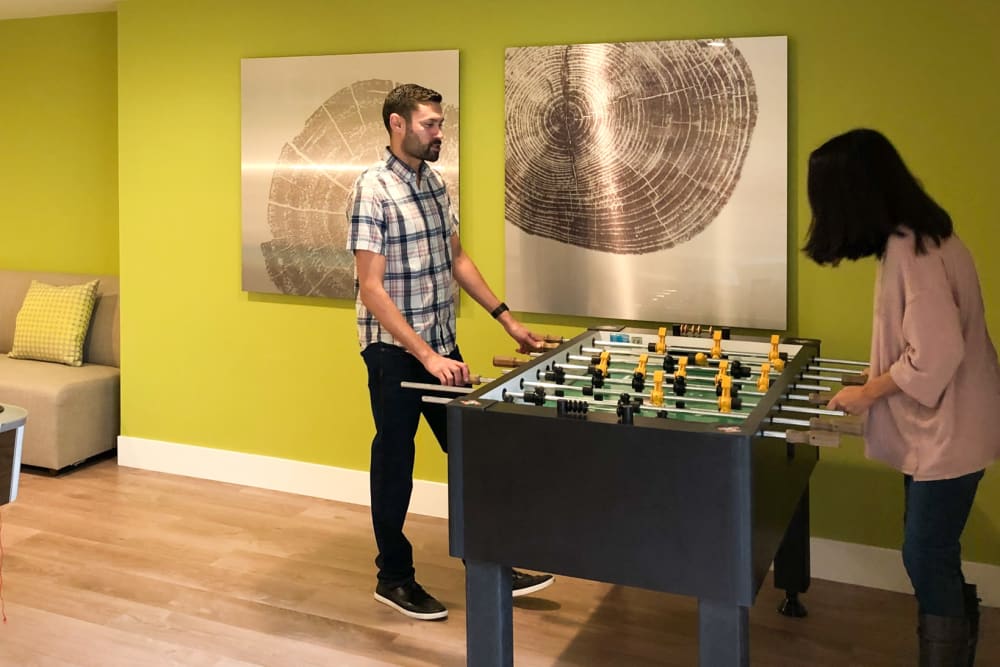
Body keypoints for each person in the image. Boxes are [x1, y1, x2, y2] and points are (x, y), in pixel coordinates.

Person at [346, 83, 554, 621]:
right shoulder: (372, 190)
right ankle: (393, 577)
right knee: (396, 461)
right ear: (398, 124)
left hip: (441, 344)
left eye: (439, 124)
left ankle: (489, 566)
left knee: (471, 454)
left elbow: (456, 259)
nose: (439, 133)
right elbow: (371, 287)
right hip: (395, 352)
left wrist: (507, 319)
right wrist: (425, 355)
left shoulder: (435, 184)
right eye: (429, 124)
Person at [803, 128, 1000, 666]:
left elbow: (934, 356)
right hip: (957, 421)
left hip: (952, 429)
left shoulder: (911, 249)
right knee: (933, 551)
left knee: (924, 553)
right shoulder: (922, 237)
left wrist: (866, 392)